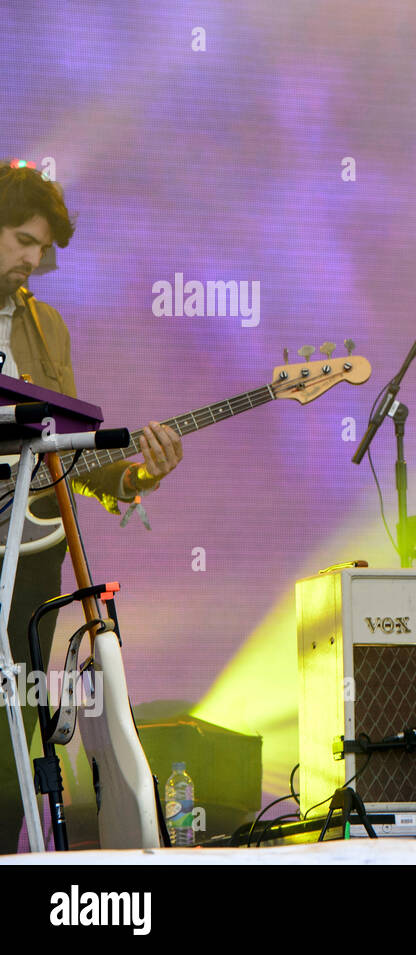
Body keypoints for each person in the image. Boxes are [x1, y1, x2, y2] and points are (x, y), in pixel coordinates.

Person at [0, 163, 182, 853]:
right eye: (21, 240)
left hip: (30, 550)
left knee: (14, 737)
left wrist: (136, 473)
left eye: (41, 249)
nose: (33, 260)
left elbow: (67, 447)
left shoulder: (47, 328)